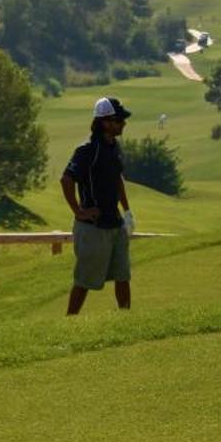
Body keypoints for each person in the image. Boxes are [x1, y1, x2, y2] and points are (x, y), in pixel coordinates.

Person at [61, 96, 133, 314]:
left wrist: (127, 211)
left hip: (115, 223)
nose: (123, 123)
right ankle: (69, 321)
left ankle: (126, 319)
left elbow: (117, 179)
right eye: (119, 119)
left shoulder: (114, 147)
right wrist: (78, 211)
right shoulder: (87, 150)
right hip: (93, 227)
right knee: (85, 280)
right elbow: (66, 179)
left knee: (123, 275)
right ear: (105, 122)